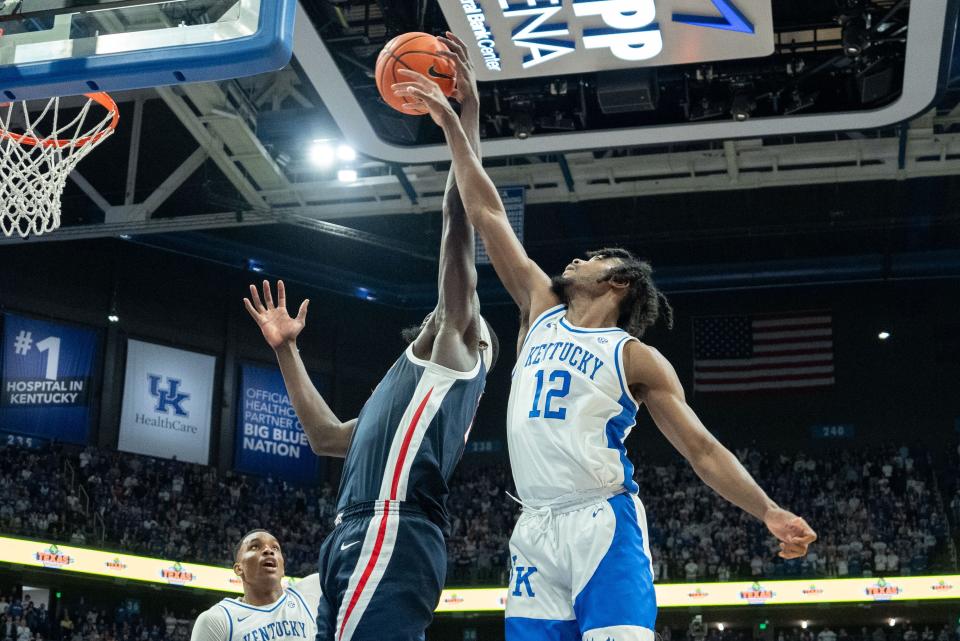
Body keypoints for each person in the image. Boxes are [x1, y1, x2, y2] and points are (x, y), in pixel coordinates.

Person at [393, 61, 818, 641]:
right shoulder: (540, 309)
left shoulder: (635, 357)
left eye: (595, 258)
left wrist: (767, 510)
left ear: (620, 281)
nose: (578, 259)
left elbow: (701, 449)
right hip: (535, 526)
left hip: (603, 520)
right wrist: (457, 118)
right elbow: (486, 209)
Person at [244, 32, 498, 641]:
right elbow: (326, 437)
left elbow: (456, 228)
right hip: (356, 534)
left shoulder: (457, 353)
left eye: (454, 310)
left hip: (390, 528)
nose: (442, 311)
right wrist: (286, 350)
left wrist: (463, 118)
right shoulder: (404, 394)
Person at [190, 530, 320, 641]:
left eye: (275, 548)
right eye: (255, 547)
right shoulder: (217, 620)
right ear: (239, 569)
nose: (268, 551)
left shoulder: (310, 591)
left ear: (283, 568)